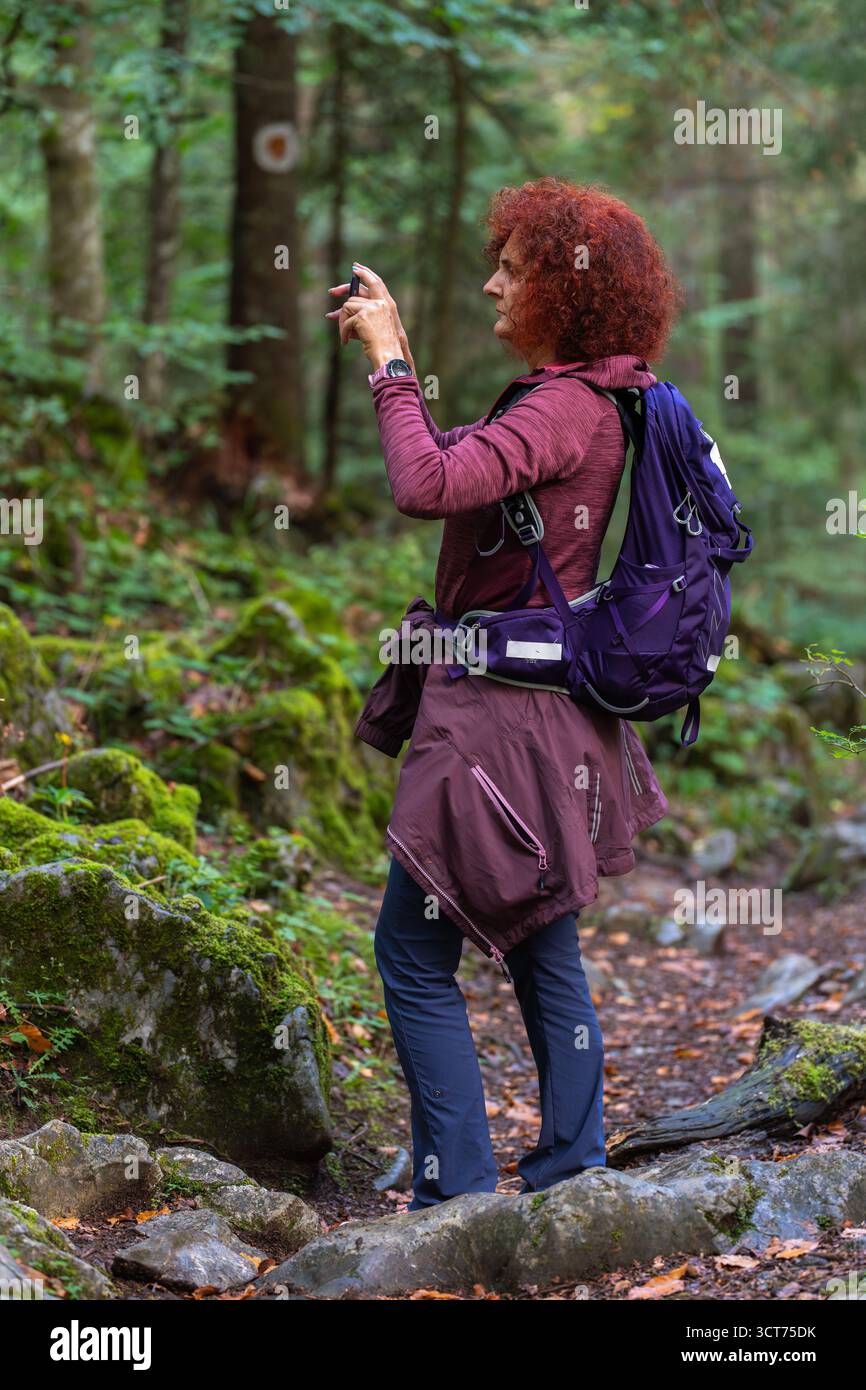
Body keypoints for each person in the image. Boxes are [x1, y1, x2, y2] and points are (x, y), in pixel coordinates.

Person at [326, 177, 679, 1208]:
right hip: (544, 715)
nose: (491, 285)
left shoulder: (565, 407)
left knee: (409, 948)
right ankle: (572, 1165)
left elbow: (424, 484)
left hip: (501, 724)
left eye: (512, 271)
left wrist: (390, 360)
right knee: (542, 931)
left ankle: (456, 1191)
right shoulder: (597, 398)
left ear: (563, 296)